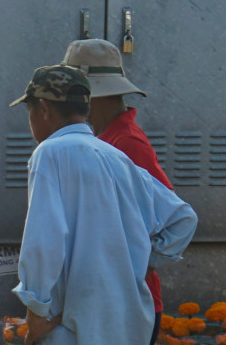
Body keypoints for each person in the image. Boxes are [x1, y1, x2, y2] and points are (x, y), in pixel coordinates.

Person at [11, 65, 197, 345]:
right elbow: (183, 218)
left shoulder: (50, 152)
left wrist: (37, 310)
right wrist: (139, 261)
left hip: (67, 342)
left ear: (42, 109)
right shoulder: (115, 156)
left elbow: (44, 241)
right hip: (122, 340)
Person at [73, 39, 174, 325]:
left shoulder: (126, 142)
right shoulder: (105, 138)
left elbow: (171, 218)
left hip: (127, 306)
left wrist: (135, 269)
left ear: (93, 97)